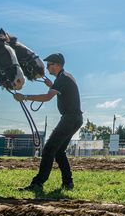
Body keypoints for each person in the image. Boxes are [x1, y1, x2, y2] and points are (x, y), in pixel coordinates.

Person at [13, 53, 83, 192]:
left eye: (49, 64)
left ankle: (38, 183)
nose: (47, 67)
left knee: (49, 149)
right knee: (59, 152)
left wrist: (25, 97)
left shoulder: (62, 79)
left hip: (69, 118)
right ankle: (68, 183)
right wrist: (51, 85)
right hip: (76, 119)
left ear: (57, 65)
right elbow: (61, 90)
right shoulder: (65, 77)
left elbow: (47, 97)